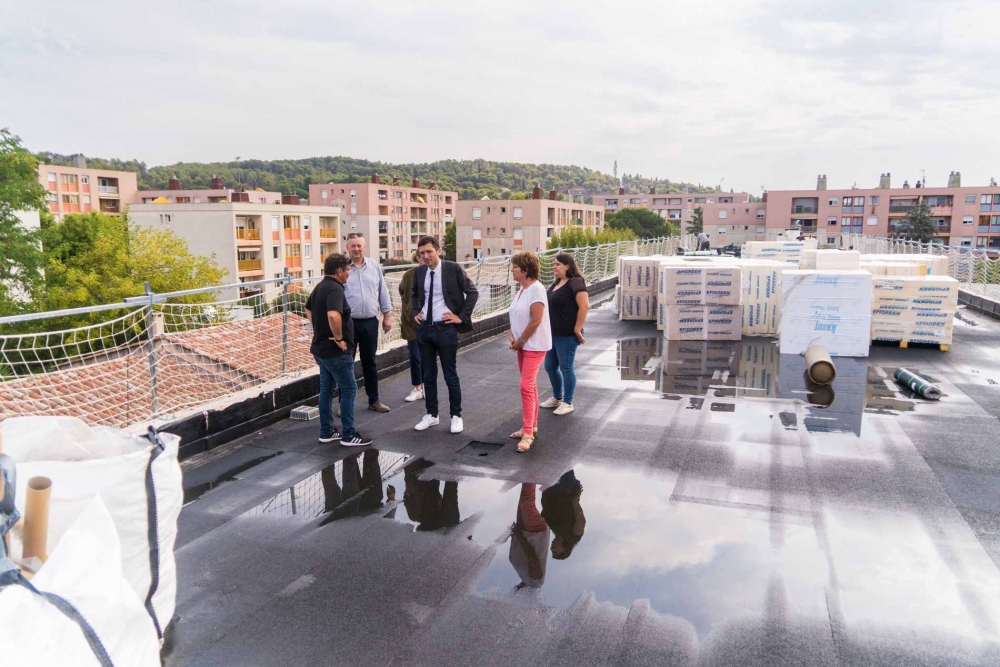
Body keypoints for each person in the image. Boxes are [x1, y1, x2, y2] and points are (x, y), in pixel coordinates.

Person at [410, 235, 479, 434]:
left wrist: (461, 316)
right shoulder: (420, 271)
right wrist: (416, 312)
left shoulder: (452, 269)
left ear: (438, 251)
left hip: (446, 329)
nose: (425, 256)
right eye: (422, 253)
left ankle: (456, 416)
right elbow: (414, 294)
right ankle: (431, 414)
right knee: (428, 375)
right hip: (425, 329)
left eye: (429, 252)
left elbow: (472, 292)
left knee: (450, 374)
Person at [304, 253, 372, 447]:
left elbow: (308, 308)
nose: (349, 273)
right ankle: (349, 435)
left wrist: (319, 327)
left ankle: (326, 431)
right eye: (348, 269)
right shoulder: (335, 288)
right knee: (349, 388)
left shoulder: (320, 286)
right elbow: (334, 315)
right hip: (335, 352)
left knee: (326, 390)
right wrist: (338, 338)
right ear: (339, 271)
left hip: (320, 349)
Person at [507, 252, 552, 453]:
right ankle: (531, 426)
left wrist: (521, 340)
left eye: (515, 267)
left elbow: (536, 320)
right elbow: (517, 316)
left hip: (534, 345)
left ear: (525, 270)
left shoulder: (537, 289)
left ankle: (527, 433)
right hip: (522, 345)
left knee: (525, 386)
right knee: (530, 385)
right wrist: (513, 336)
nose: (512, 270)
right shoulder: (522, 291)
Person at [344, 233, 393, 413]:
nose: (356, 249)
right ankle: (345, 403)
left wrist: (387, 316)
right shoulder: (342, 268)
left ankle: (374, 400)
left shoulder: (373, 266)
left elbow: (383, 291)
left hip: (370, 323)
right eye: (353, 246)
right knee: (346, 363)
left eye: (359, 246)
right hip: (348, 324)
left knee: (370, 362)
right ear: (347, 248)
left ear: (364, 247)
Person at [541, 253, 589, 416]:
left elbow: (584, 307)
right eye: (554, 264)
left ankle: (568, 402)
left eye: (557, 264)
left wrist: (577, 329)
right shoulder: (556, 283)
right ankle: (557, 397)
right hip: (552, 334)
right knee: (550, 366)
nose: (554, 267)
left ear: (567, 266)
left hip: (567, 334)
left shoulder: (576, 282)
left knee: (566, 368)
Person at [508, 483, 549, 589]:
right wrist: (519, 535)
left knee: (524, 499)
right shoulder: (534, 583)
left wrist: (516, 534)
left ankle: (531, 474)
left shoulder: (525, 577)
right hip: (534, 533)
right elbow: (533, 559)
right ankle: (533, 471)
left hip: (525, 531)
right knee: (527, 500)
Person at [541, 471, 586, 560]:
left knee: (543, 460)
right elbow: (581, 521)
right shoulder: (574, 536)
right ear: (564, 550)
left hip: (550, 490)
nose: (551, 548)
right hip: (565, 489)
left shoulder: (555, 531)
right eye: (555, 551)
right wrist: (575, 500)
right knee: (560, 459)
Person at [398, 255, 424, 402]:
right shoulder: (408, 275)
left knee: (428, 357)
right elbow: (402, 291)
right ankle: (417, 387)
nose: (424, 258)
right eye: (421, 256)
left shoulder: (436, 274)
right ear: (417, 258)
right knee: (415, 356)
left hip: (432, 324)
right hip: (412, 323)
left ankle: (426, 386)